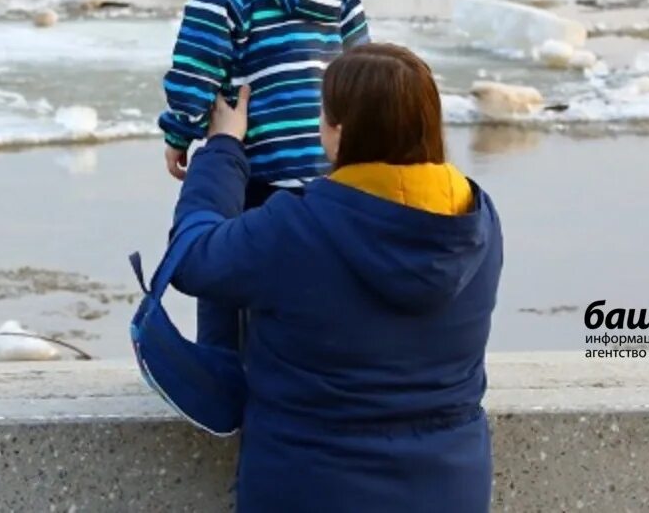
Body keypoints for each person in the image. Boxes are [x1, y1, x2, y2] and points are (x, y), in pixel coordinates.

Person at [168, 43, 503, 512]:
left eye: (323, 116)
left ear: (339, 133)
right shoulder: (477, 220)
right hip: (449, 490)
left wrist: (223, 150)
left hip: (311, 488)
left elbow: (193, 257)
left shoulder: (296, 228)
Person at [157, 0, 369, 349]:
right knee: (309, 273)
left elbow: (196, 63)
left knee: (228, 264)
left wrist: (179, 131)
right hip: (328, 159)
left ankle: (222, 368)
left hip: (255, 160)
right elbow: (362, 55)